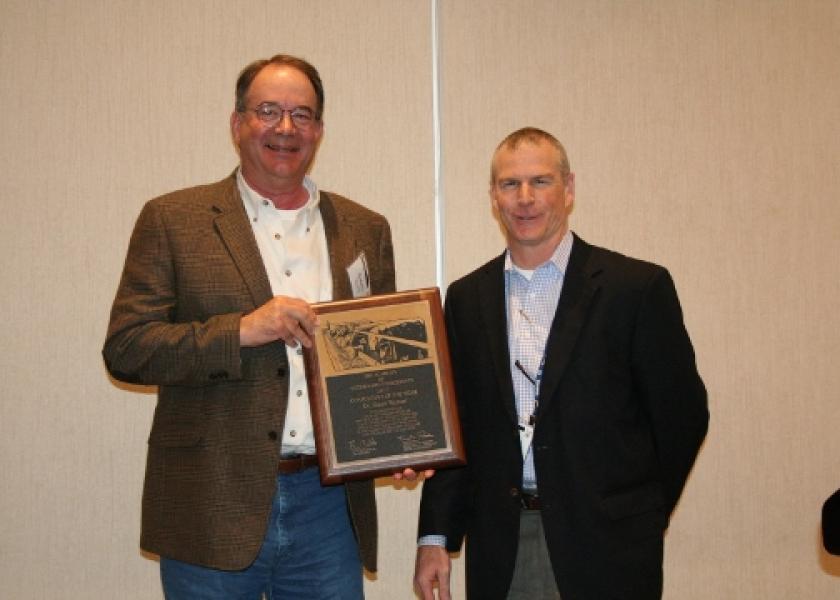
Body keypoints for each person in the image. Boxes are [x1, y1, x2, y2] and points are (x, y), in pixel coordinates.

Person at [103, 54, 418, 599]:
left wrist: (397, 443)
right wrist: (242, 330)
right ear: (237, 123)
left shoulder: (366, 229)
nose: (285, 128)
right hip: (211, 500)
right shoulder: (173, 219)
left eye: (302, 114)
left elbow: (380, 357)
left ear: (319, 130)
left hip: (327, 507)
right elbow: (128, 349)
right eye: (268, 111)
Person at [414, 127, 709, 599]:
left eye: (541, 181)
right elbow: (459, 425)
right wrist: (434, 537)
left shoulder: (635, 288)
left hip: (608, 546)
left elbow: (683, 415)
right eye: (510, 184)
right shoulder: (467, 299)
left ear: (569, 188)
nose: (525, 198)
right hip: (502, 543)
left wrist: (640, 512)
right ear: (494, 196)